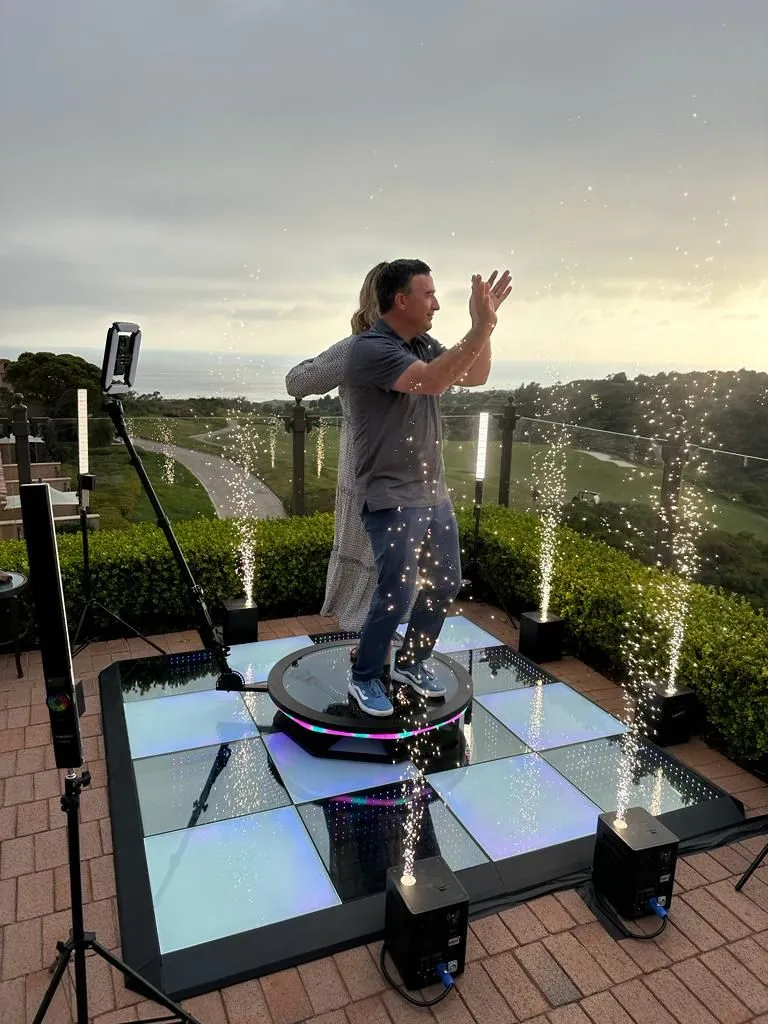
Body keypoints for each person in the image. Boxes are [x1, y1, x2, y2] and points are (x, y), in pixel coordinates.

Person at [344, 259, 512, 716]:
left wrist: (488, 327)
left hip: (432, 493)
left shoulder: (420, 342)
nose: (437, 303)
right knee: (397, 592)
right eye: (429, 294)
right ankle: (364, 677)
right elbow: (435, 381)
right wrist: (480, 325)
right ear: (402, 300)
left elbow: (474, 376)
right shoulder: (371, 348)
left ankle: (412, 662)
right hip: (392, 496)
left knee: (444, 582)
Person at [285, 263, 390, 638]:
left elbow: (298, 380)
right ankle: (368, 654)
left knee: (384, 569)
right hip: (375, 481)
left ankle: (372, 652)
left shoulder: (388, 350)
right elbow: (298, 382)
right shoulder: (360, 350)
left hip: (388, 481)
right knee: (378, 569)